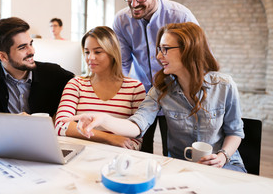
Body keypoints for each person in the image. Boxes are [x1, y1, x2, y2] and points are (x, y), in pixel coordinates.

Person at [64, 22, 246, 172]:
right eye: (159, 49)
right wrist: (104, 119)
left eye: (165, 49)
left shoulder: (224, 85)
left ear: (188, 49)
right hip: (182, 167)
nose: (158, 56)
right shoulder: (161, 88)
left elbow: (235, 132)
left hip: (225, 165)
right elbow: (137, 124)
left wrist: (222, 156)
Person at [113, 0, 199, 155]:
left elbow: (198, 60)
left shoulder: (181, 15)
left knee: (178, 152)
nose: (134, 4)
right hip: (141, 97)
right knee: (139, 151)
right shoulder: (120, 20)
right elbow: (122, 64)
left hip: (178, 97)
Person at [0, 17, 74, 132]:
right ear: (3, 56)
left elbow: (81, 87)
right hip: (4, 145)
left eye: (31, 44)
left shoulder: (52, 73)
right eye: (22, 47)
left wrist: (56, 118)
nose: (32, 51)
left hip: (45, 144)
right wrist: (13, 123)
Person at [55, 26, 146, 150]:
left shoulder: (134, 88)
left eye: (98, 52)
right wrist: (109, 138)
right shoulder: (76, 84)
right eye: (87, 52)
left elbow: (137, 137)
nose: (90, 58)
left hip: (117, 159)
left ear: (112, 53)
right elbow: (61, 125)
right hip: (80, 154)